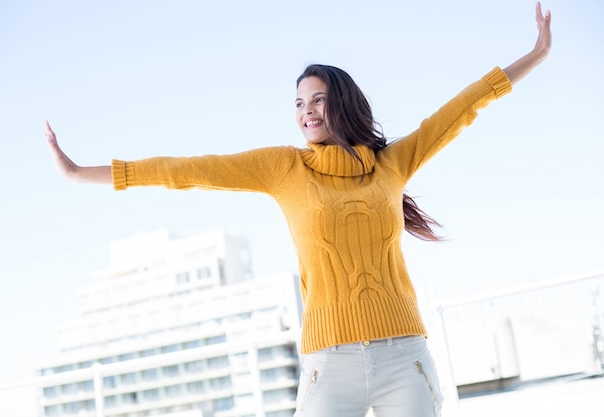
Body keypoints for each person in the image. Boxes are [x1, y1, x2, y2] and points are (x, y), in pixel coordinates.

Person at [45, 3, 551, 416]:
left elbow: (463, 107)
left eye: (318, 99)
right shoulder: (284, 168)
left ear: (344, 103)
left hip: (405, 357)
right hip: (328, 364)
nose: (306, 111)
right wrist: (80, 172)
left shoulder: (392, 162)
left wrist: (536, 54)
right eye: (298, 103)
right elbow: (190, 169)